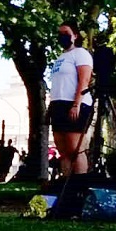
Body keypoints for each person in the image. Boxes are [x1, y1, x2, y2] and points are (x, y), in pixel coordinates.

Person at [48, 21, 93, 176]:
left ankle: (79, 186)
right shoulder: (60, 58)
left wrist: (76, 104)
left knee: (75, 148)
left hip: (75, 104)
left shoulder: (81, 54)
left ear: (75, 35)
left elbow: (84, 80)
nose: (62, 37)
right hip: (58, 104)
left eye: (66, 33)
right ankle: (66, 187)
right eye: (60, 34)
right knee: (63, 150)